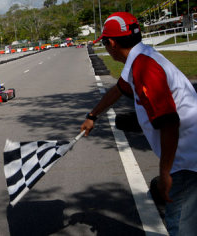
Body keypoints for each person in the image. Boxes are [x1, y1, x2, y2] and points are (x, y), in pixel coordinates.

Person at [80, 12, 197, 236]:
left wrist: (165, 174)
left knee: (181, 226)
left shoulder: (144, 68)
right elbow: (118, 89)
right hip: (187, 154)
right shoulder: (141, 57)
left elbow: (169, 122)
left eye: (104, 42)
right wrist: (92, 115)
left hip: (186, 162)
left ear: (111, 43)